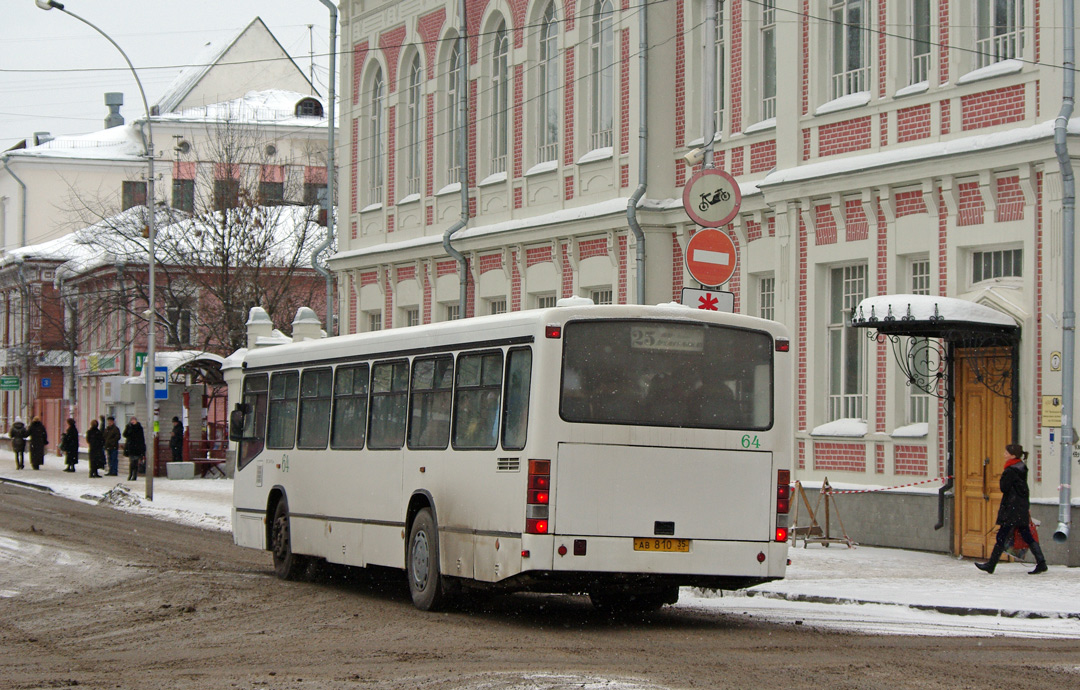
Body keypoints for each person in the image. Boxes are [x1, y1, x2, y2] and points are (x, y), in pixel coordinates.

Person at [976, 444, 1048, 575]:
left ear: (1013, 455)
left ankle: (991, 565)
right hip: (1020, 507)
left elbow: (1004, 487)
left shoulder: (1010, 470)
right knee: (1026, 535)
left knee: (1002, 536)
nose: (1004, 454)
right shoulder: (1021, 467)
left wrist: (1003, 477)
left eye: (1006, 453)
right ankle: (1041, 562)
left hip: (1011, 508)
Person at [122, 416, 146, 481]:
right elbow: (124, 434)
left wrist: (142, 448)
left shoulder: (139, 428)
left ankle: (134, 475)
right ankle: (130, 474)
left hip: (137, 447)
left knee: (135, 462)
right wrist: (129, 429)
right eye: (132, 420)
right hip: (130, 447)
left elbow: (141, 438)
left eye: (134, 420)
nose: (133, 422)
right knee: (132, 462)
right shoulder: (129, 427)